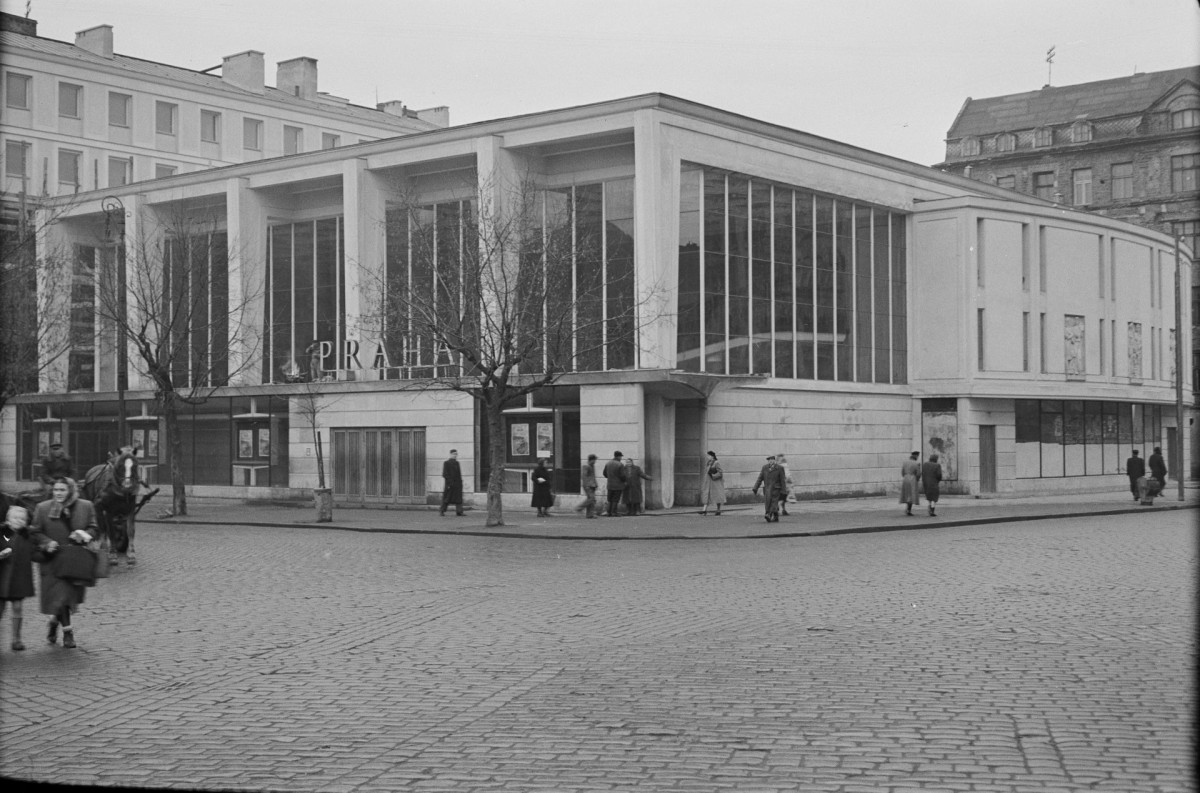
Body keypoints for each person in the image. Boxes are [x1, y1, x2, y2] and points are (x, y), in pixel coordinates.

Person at [30, 478, 98, 650]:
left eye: (62, 490)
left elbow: (94, 528)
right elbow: (35, 531)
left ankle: (54, 622)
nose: (58, 493)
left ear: (71, 490)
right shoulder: (43, 508)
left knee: (67, 597)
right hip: (52, 560)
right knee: (60, 596)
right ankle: (68, 632)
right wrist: (47, 543)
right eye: (55, 490)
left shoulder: (86, 506)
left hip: (74, 560)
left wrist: (84, 534)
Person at [1, 505, 36, 651]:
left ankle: (16, 639)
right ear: (8, 519)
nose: (19, 521)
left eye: (22, 519)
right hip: (1, 577)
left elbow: (35, 553)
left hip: (19, 578)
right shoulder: (3, 534)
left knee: (17, 607)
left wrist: (48, 553)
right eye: (15, 518)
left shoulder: (28, 536)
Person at [752, 455, 787, 522]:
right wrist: (755, 487)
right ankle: (775, 516)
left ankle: (768, 514)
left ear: (775, 460)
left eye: (772, 459)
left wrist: (783, 491)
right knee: (768, 502)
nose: (771, 461)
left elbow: (783, 480)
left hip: (776, 489)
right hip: (767, 489)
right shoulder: (764, 468)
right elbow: (760, 478)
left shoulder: (779, 468)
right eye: (769, 460)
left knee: (773, 502)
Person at [439, 449, 464, 517]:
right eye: (453, 454)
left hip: (457, 484)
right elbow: (445, 474)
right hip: (450, 484)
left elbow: (459, 474)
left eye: (456, 454)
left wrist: (460, 483)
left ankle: (459, 511)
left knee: (458, 498)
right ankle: (442, 511)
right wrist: (449, 482)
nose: (455, 455)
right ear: (450, 454)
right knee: (447, 498)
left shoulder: (457, 463)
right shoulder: (446, 463)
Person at [601, 451, 627, 517]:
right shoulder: (620, 464)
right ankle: (614, 512)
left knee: (609, 499)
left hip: (610, 484)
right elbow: (622, 476)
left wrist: (610, 477)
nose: (621, 458)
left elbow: (604, 474)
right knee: (616, 499)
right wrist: (624, 481)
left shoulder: (608, 463)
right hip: (618, 485)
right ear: (618, 456)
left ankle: (608, 512)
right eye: (621, 456)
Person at [700, 451, 725, 516]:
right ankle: (704, 510)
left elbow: (720, 473)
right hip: (708, 482)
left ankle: (718, 509)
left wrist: (713, 475)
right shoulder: (708, 463)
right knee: (706, 494)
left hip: (715, 482)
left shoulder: (716, 463)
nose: (707, 457)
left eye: (708, 456)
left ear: (712, 456)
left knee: (717, 495)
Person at [900, 451, 921, 516]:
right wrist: (917, 479)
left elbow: (902, 472)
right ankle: (909, 509)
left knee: (906, 494)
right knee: (912, 494)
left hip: (906, 478)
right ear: (916, 456)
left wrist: (905, 476)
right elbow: (918, 473)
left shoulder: (905, 462)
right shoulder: (916, 463)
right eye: (917, 456)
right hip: (912, 479)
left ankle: (907, 508)